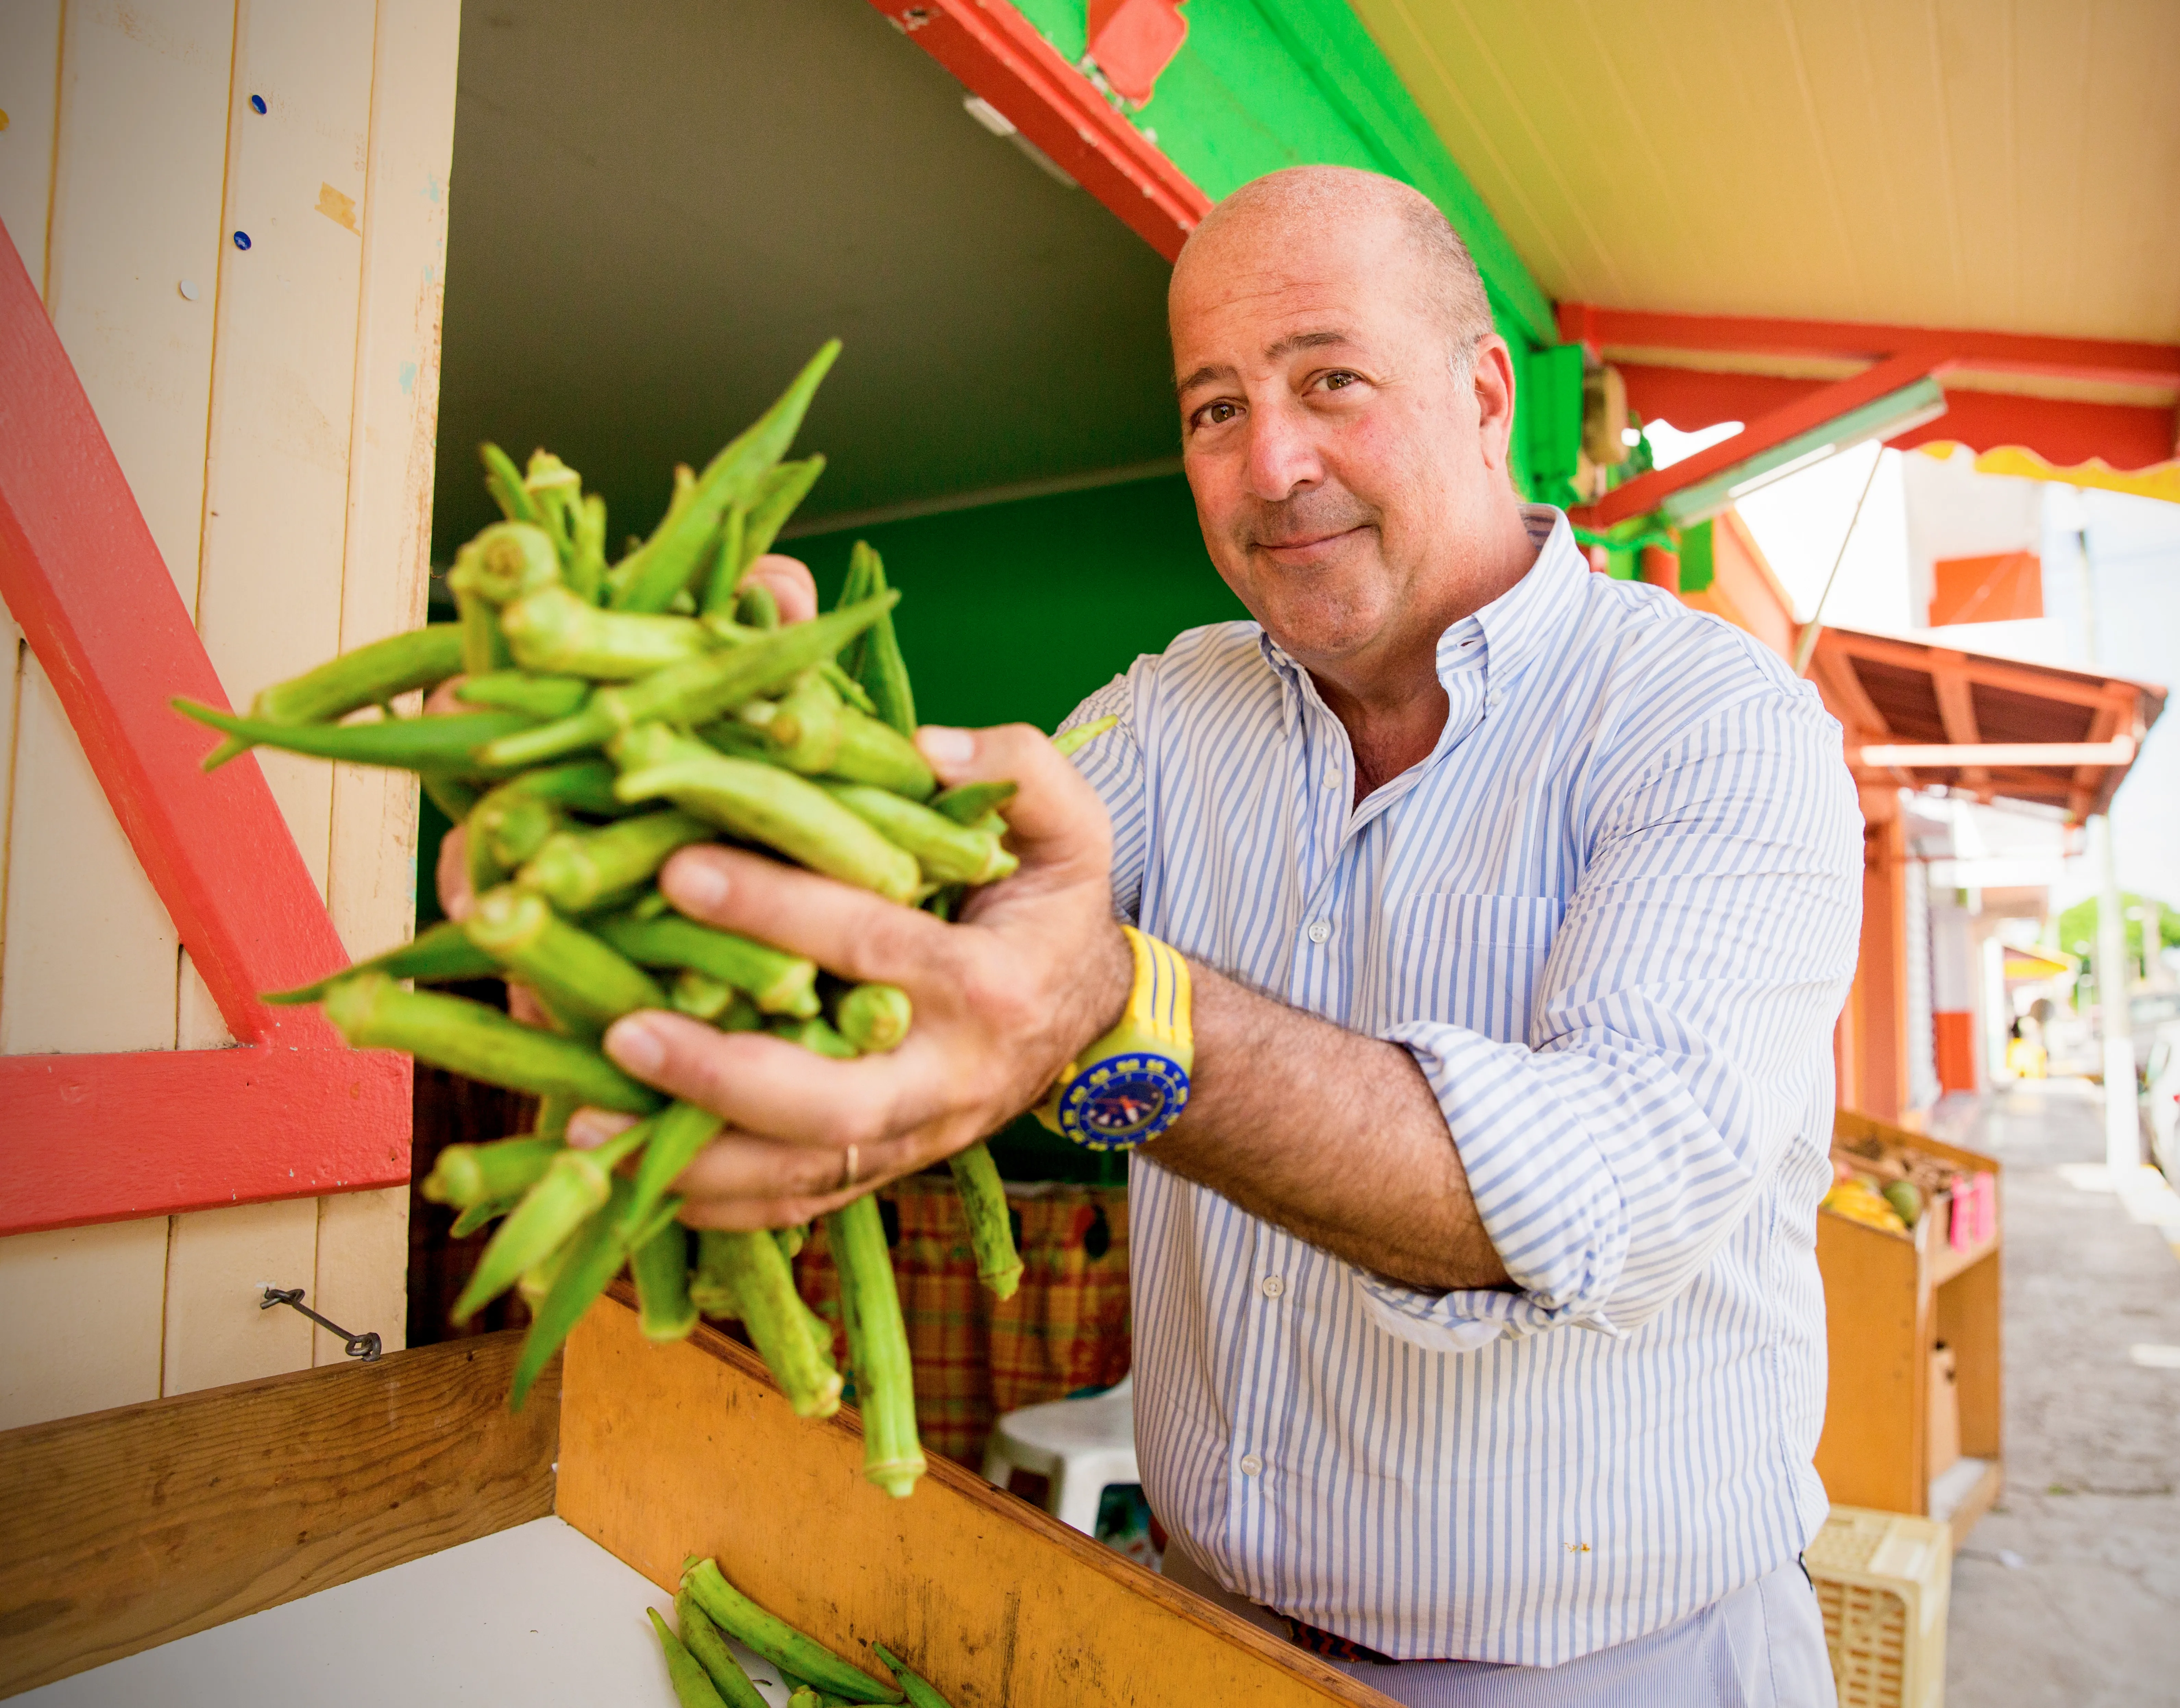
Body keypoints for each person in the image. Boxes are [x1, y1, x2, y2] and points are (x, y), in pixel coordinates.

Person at [479, 166, 1864, 1704]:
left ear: (1486, 394)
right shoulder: (1167, 711)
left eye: (1329, 380)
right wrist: (690, 791)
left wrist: (1114, 1013)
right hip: (1203, 1636)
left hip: (1610, 1671)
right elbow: (953, 914)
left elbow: (1609, 1182)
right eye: (1214, 408)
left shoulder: (1715, 727)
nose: (1271, 464)